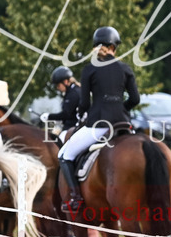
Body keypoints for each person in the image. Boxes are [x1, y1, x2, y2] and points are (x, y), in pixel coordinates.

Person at [57, 26, 140, 213]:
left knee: (64, 155)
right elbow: (135, 99)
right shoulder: (125, 68)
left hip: (99, 125)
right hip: (123, 124)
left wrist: (81, 114)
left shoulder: (90, 70)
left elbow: (85, 103)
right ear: (114, 47)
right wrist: (121, 110)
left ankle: (75, 198)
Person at [44, 66, 81, 142]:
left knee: (58, 143)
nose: (57, 88)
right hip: (74, 126)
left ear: (66, 82)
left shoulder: (73, 94)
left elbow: (65, 114)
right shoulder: (72, 91)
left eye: (58, 85)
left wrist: (49, 116)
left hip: (73, 128)